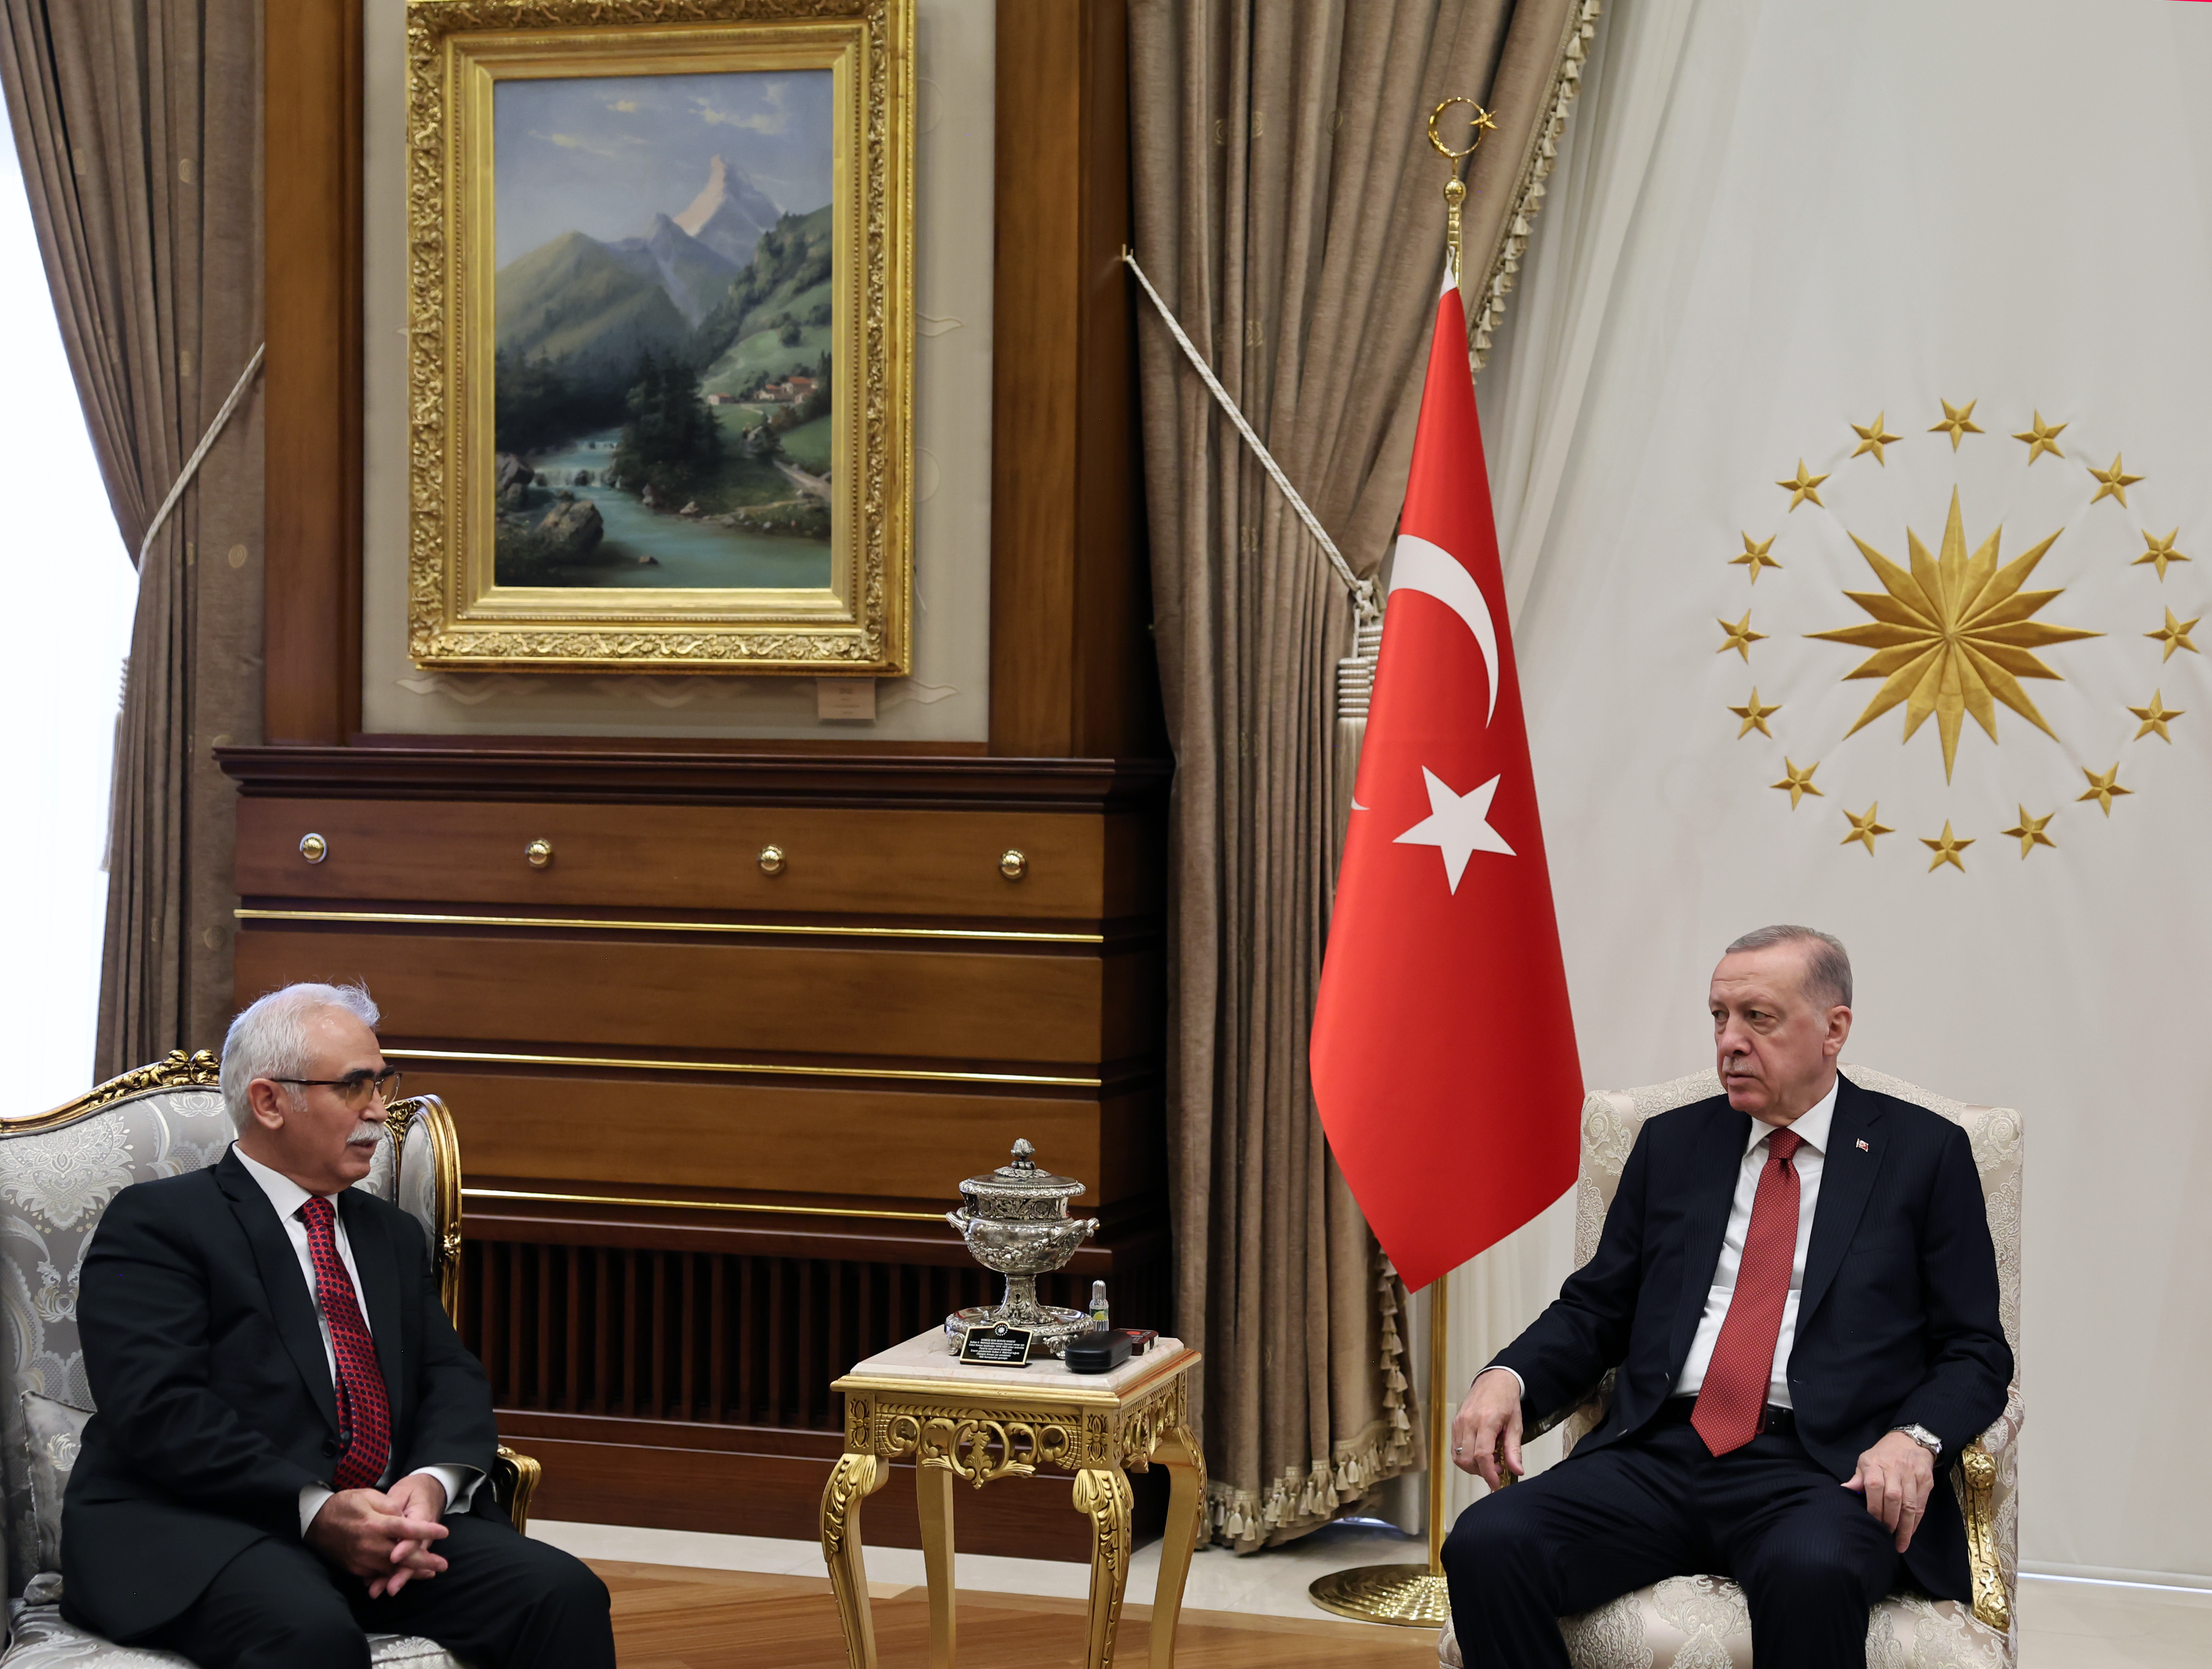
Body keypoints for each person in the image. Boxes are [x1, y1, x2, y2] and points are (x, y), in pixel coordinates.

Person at [1442, 926, 2011, 1668]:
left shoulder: (1923, 1153)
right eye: (1719, 1016)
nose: (1730, 1041)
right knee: (1488, 1542)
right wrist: (1507, 1376)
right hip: (1659, 1451)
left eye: (1757, 1018)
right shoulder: (1672, 1144)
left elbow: (1975, 1349)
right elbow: (1596, 1309)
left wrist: (1916, 1437)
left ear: (1834, 1028)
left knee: (1811, 1568)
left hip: (1823, 1470)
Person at [63, 982, 615, 1669]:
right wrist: (318, 1511)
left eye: (382, 1082)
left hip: (384, 1521)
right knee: (311, 1636)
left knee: (562, 1593)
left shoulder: (390, 1232)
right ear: (269, 1102)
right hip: (211, 1525)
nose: (379, 1109)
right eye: (354, 1086)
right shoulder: (159, 1222)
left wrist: (430, 1483)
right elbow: (160, 1409)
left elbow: (449, 1375)